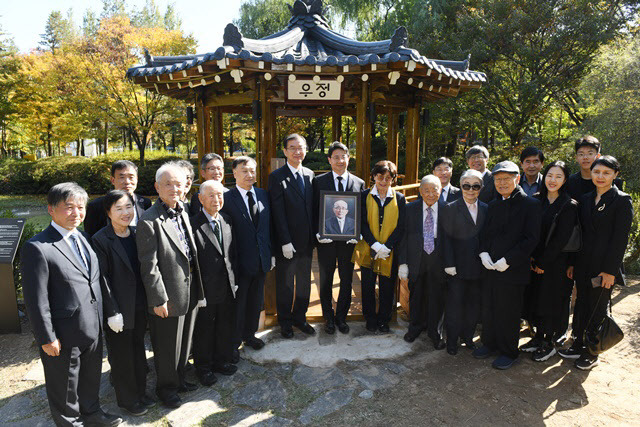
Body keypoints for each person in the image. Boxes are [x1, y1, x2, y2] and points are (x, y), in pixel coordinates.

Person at [21, 182, 122, 426]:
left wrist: (109, 313)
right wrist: (46, 337)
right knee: (64, 384)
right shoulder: (38, 247)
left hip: (92, 324)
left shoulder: (84, 237)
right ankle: (70, 422)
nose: (76, 213)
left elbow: (95, 279)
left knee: (90, 375)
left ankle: (92, 412)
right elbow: (36, 299)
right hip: (63, 332)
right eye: (68, 207)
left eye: (80, 207)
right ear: (51, 210)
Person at [136, 162, 205, 408]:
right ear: (157, 187)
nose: (174, 188)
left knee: (185, 340)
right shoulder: (149, 220)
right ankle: (166, 389)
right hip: (168, 294)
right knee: (166, 347)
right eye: (168, 184)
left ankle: (180, 379)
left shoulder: (183, 209)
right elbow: (149, 266)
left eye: (178, 183)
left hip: (190, 288)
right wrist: (158, 299)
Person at [560, 156, 632, 370]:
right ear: (591, 173)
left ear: (615, 175)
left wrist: (610, 271)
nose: (601, 177)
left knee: (598, 308)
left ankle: (593, 351)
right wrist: (573, 263)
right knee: (581, 304)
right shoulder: (586, 197)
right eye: (597, 172)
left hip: (603, 267)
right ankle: (578, 343)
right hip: (583, 263)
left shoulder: (621, 200)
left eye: (606, 173)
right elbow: (579, 234)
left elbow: (620, 240)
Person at [472, 161, 541, 370]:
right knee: (489, 307)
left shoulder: (531, 205)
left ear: (517, 179)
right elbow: (484, 234)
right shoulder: (493, 204)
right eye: (498, 179)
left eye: (506, 179)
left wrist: (508, 260)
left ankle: (509, 350)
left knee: (509, 311)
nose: (501, 183)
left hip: (513, 269)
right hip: (491, 267)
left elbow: (531, 239)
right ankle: (489, 343)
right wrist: (483, 253)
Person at [92, 190, 155, 416]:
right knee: (121, 357)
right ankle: (128, 400)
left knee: (138, 351)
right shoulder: (101, 239)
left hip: (140, 304)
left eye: (128, 207)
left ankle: (141, 392)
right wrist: (112, 311)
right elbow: (102, 278)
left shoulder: (137, 232)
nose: (125, 212)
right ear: (108, 212)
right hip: (118, 309)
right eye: (118, 208)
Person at [519, 161, 578, 362]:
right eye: (550, 175)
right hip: (534, 262)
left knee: (550, 301)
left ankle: (548, 342)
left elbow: (561, 240)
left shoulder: (569, 205)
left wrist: (543, 263)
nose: (553, 180)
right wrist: (532, 259)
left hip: (555, 264)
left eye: (558, 176)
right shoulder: (537, 200)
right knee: (535, 299)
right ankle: (537, 337)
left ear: (565, 180)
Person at [222, 156, 272, 358]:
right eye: (244, 171)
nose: (249, 174)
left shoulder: (262, 194)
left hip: (261, 260)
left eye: (252, 170)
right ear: (234, 173)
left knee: (255, 301)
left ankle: (250, 336)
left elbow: (267, 227)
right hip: (239, 262)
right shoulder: (226, 198)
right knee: (238, 305)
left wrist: (271, 254)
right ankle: (234, 343)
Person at [313, 141, 365, 334]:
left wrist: (358, 232)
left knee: (346, 280)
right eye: (336, 157)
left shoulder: (359, 183)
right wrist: (317, 232)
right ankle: (328, 318)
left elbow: (361, 211)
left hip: (348, 243)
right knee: (326, 280)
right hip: (325, 242)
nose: (340, 160)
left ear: (348, 159)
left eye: (344, 157)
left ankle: (341, 318)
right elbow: (314, 210)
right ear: (329, 160)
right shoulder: (318, 182)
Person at [191, 180, 239, 385]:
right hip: (205, 288)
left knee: (224, 325)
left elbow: (232, 254)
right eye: (211, 195)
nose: (216, 199)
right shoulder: (193, 224)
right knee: (204, 329)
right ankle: (203, 367)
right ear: (200, 198)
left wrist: (234, 280)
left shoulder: (226, 220)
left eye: (219, 195)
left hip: (227, 285)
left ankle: (221, 360)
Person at [269, 134, 316, 338]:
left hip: (307, 241)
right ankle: (285, 322)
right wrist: (285, 241)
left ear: (306, 150)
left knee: (304, 282)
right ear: (285, 151)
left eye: (301, 147)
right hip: (286, 242)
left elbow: (313, 208)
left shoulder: (310, 174)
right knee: (286, 284)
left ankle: (300, 318)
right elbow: (277, 212)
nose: (298, 151)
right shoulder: (277, 176)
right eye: (293, 148)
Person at [352, 160, 406, 333]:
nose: (383, 181)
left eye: (388, 177)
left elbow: (401, 226)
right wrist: (375, 244)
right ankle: (370, 318)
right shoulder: (364, 195)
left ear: (393, 179)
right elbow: (361, 223)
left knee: (387, 286)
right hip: (368, 248)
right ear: (373, 176)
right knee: (367, 285)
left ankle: (384, 319)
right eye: (380, 176)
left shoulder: (399, 198)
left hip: (389, 251)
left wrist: (387, 246)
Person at [441, 170, 488, 355]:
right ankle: (452, 341)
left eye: (475, 186)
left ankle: (467, 338)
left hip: (479, 267)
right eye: (466, 185)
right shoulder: (450, 208)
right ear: (460, 186)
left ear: (481, 188)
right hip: (457, 268)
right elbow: (445, 239)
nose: (470, 190)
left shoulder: (486, 207)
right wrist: (449, 263)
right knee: (455, 305)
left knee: (473, 305)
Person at [398, 175, 446, 349]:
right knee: (416, 294)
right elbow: (402, 236)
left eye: (435, 190)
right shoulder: (410, 208)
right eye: (427, 190)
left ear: (441, 190)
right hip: (416, 258)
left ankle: (435, 331)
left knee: (437, 296)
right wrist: (402, 262)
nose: (431, 194)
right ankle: (415, 327)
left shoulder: (447, 208)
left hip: (438, 259)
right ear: (420, 191)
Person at [84, 160, 151, 237]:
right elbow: (90, 236)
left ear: (137, 179)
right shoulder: (96, 206)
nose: (127, 182)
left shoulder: (145, 203)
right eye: (121, 177)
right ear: (112, 180)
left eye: (131, 177)